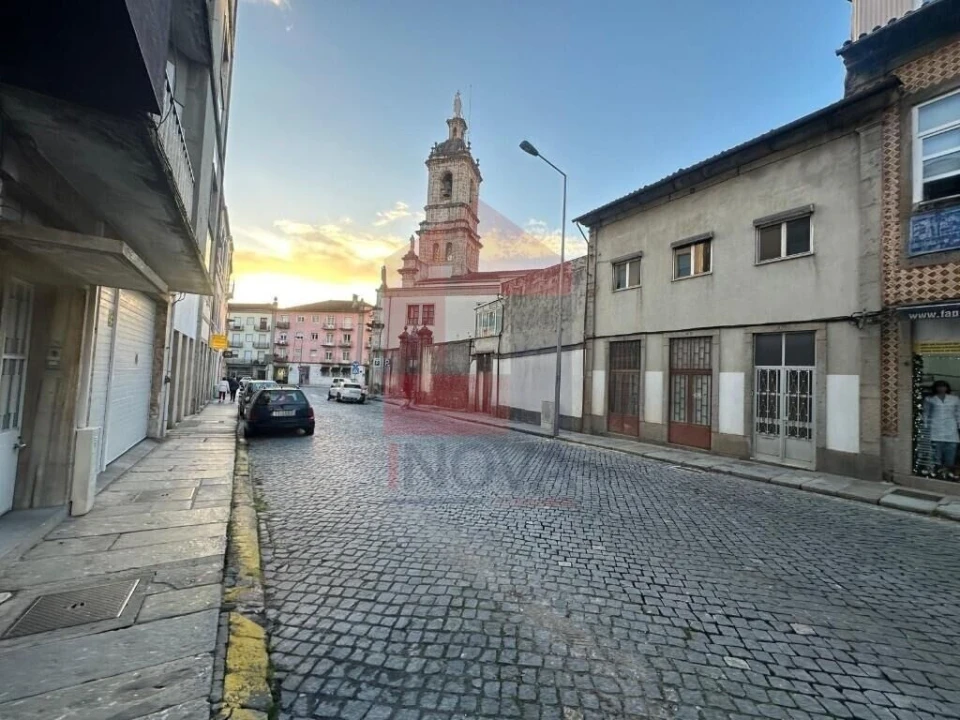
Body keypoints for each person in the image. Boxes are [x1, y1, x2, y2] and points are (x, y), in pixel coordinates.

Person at [924, 379, 960, 478]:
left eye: (943, 386)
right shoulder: (930, 399)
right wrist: (926, 427)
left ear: (947, 388)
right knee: (936, 455)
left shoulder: (954, 399)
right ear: (935, 388)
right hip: (936, 428)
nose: (941, 388)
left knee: (951, 453)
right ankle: (936, 473)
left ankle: (949, 473)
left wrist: (959, 426)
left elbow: (958, 413)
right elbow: (926, 414)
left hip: (951, 429)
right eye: (939, 386)